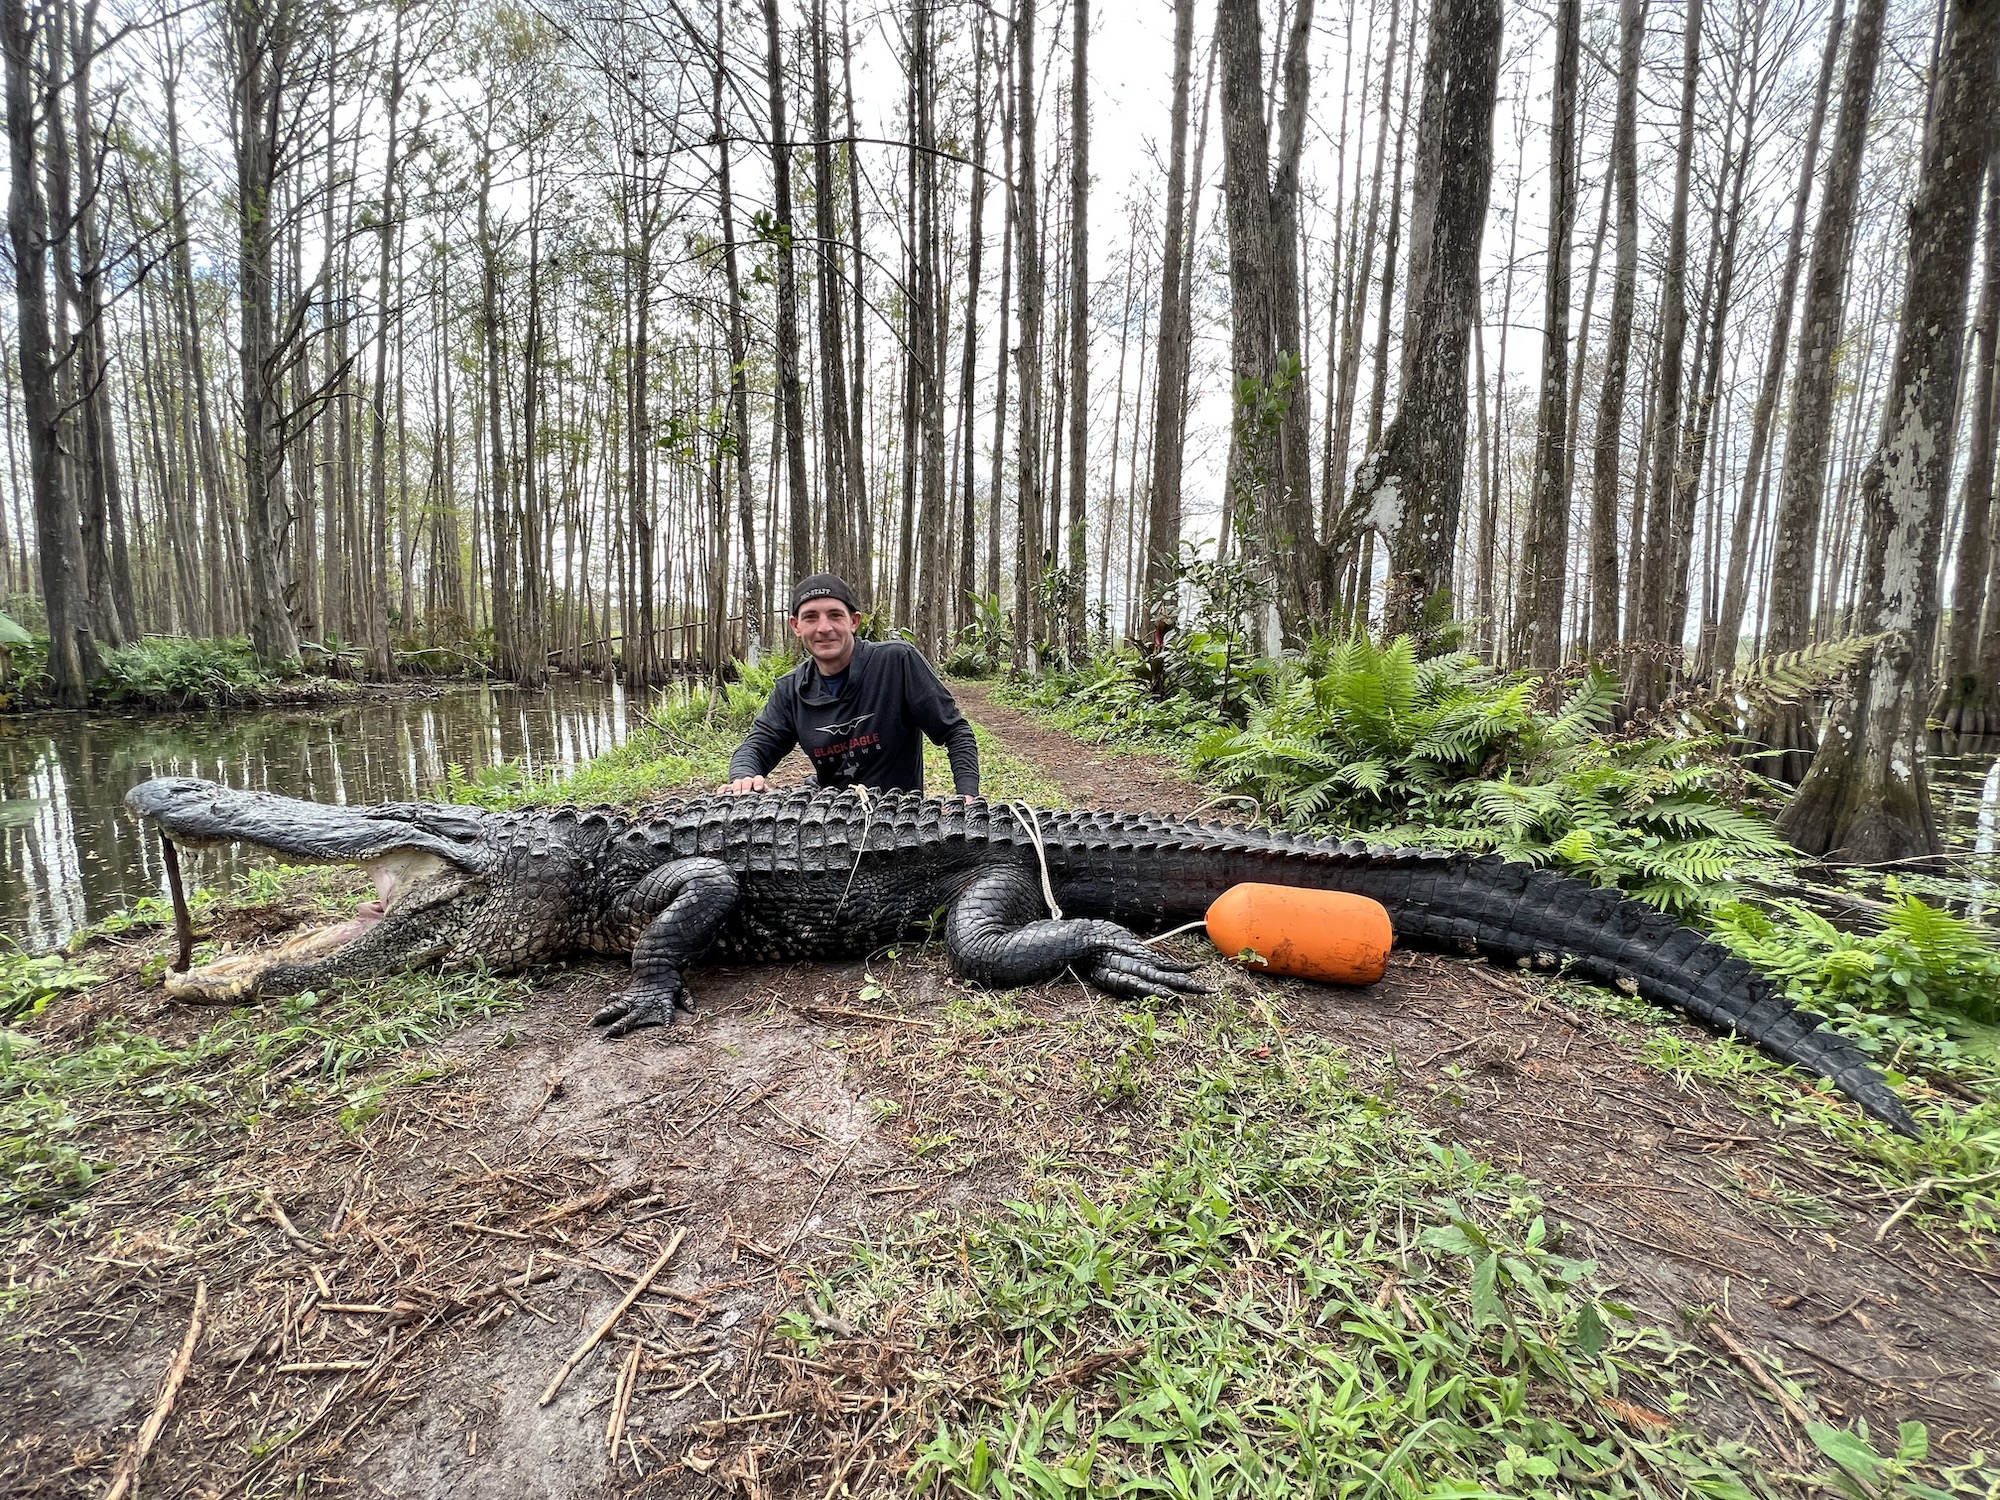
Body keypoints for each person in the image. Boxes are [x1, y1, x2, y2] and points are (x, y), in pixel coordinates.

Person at [719, 573, 980, 798]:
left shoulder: (897, 662)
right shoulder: (791, 689)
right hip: (832, 820)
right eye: (810, 617)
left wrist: (967, 796)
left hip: (900, 821)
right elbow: (757, 746)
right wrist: (744, 776)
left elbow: (955, 731)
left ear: (854, 621)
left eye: (835, 615)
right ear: (796, 626)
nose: (824, 628)